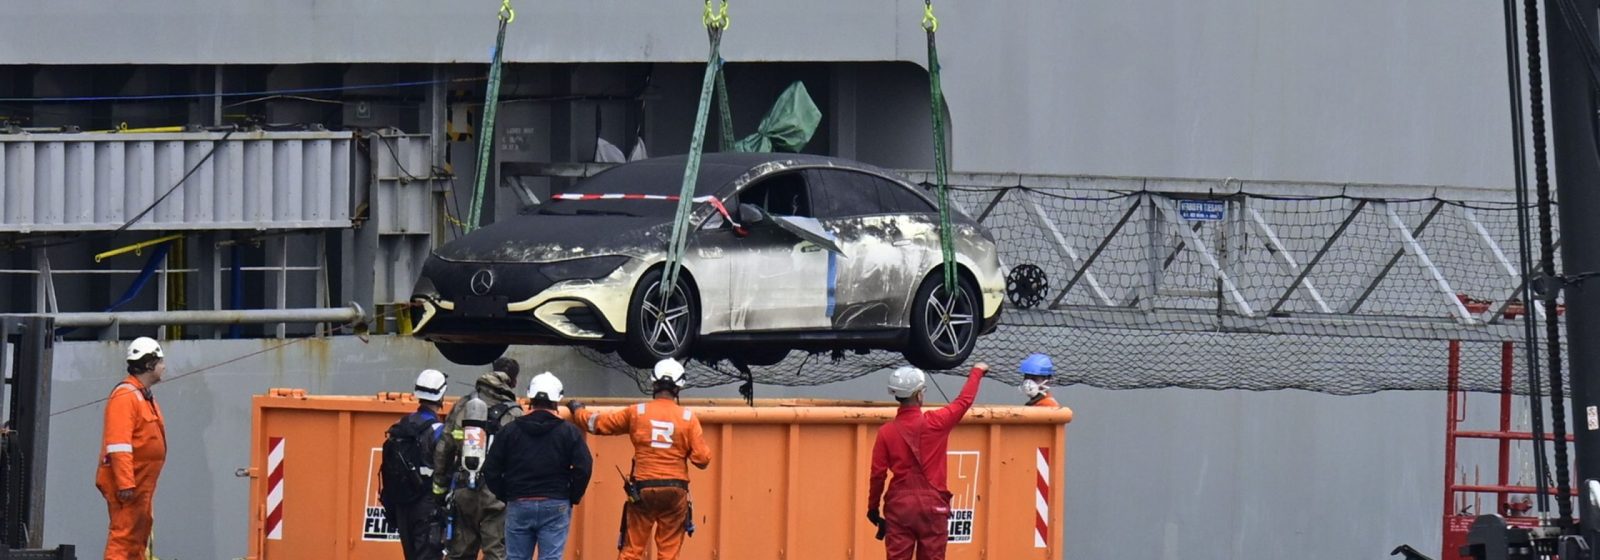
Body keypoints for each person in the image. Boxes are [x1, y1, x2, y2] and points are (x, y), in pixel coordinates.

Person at [567, 359, 711, 560]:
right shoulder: (688, 418)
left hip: (643, 489)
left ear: (653, 384)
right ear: (679, 387)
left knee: (632, 551)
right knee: (669, 553)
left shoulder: (637, 412)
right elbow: (703, 459)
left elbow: (598, 424)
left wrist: (578, 411)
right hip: (675, 490)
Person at [866, 362, 988, 560]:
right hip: (933, 506)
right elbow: (964, 401)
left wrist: (873, 508)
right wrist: (977, 371)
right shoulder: (936, 422)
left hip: (900, 508)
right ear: (918, 394)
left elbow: (877, 475)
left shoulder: (886, 433)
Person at [484, 372, 593, 560]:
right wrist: (571, 496)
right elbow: (584, 467)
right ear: (556, 401)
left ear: (530, 398)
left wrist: (507, 494)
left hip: (519, 502)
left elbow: (491, 469)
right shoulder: (569, 432)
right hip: (556, 503)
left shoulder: (510, 431)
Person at [432, 360, 522, 560]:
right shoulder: (515, 413)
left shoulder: (463, 404)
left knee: (459, 554)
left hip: (463, 491)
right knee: (495, 554)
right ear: (513, 381)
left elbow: (443, 449)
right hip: (496, 498)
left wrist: (439, 488)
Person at [96, 337, 169, 560]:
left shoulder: (142, 396)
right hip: (130, 483)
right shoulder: (126, 396)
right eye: (160, 361)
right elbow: (118, 444)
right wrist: (125, 482)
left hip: (141, 482)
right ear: (149, 365)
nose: (164, 366)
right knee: (124, 537)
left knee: (137, 538)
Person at [380, 369, 449, 560]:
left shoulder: (402, 425)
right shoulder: (437, 430)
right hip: (426, 506)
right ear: (441, 394)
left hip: (401, 504)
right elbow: (445, 468)